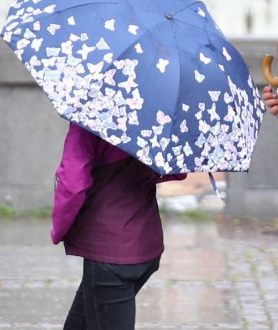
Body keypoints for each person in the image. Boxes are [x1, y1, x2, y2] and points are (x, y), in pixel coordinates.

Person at [52, 123, 187, 330]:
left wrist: (59, 229)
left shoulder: (90, 116)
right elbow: (177, 169)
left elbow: (72, 183)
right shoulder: (157, 114)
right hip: (145, 245)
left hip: (108, 254)